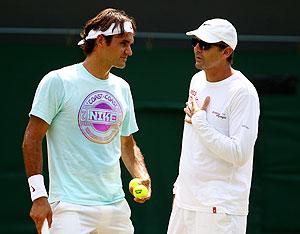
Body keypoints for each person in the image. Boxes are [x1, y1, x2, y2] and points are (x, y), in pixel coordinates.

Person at [22, 8, 151, 234]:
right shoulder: (57, 81)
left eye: (130, 44)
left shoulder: (122, 88)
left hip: (115, 206)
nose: (129, 51)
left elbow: (127, 143)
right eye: (123, 43)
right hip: (69, 208)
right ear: (101, 41)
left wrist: (142, 176)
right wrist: (38, 195)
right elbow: (32, 139)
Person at [167, 18, 260, 234]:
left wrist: (200, 122)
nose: (197, 49)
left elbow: (239, 153)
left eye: (205, 45)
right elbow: (194, 145)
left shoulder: (243, 92)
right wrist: (180, 187)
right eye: (195, 43)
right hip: (186, 202)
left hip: (220, 209)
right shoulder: (197, 81)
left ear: (226, 51)